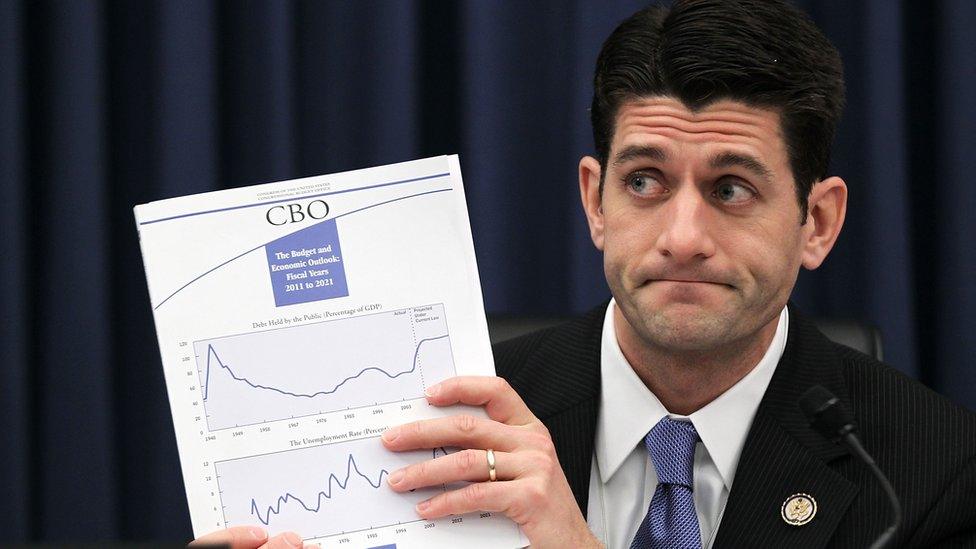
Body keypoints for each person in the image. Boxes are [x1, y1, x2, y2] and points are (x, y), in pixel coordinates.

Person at [192, 1, 976, 548]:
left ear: (819, 222)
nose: (683, 236)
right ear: (593, 201)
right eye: (644, 181)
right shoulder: (424, 424)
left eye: (731, 188)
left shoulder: (927, 472)